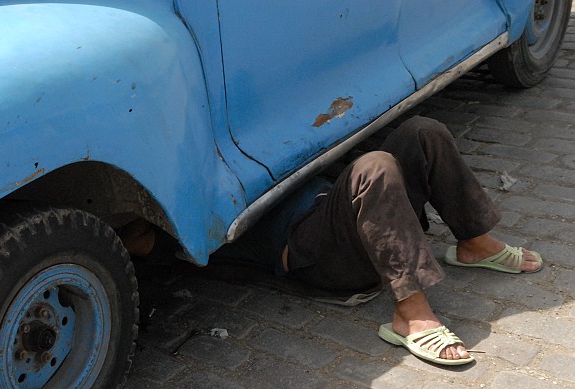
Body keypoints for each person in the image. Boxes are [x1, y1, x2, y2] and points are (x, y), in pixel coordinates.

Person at [121, 116, 542, 366]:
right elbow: (162, 248)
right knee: (375, 168)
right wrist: (140, 242)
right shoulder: (182, 210)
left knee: (421, 132)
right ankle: (410, 315)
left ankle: (474, 243)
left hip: (340, 207)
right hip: (316, 249)